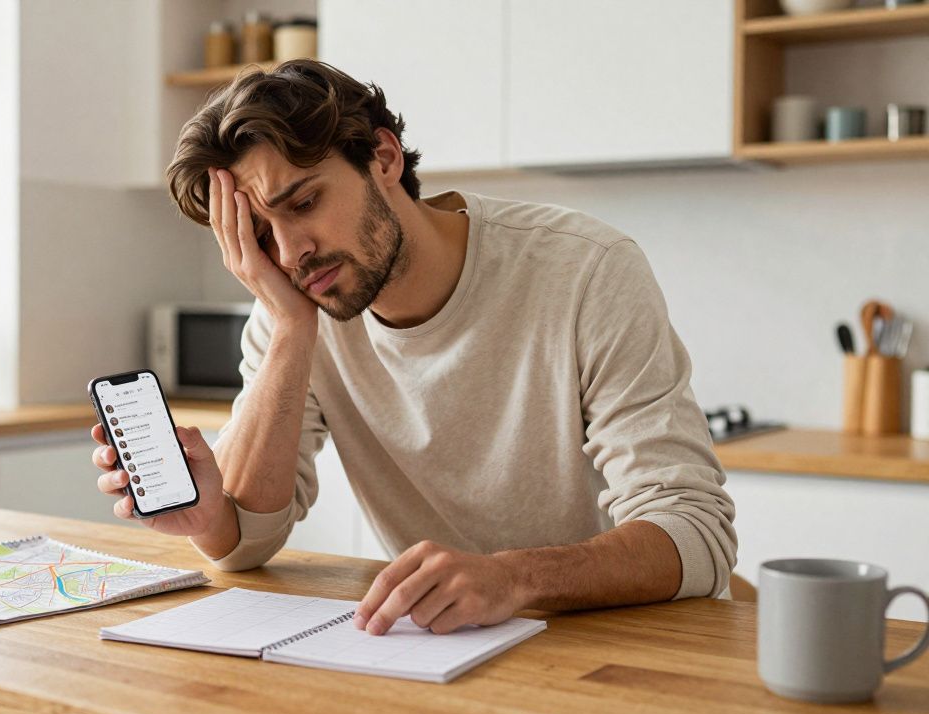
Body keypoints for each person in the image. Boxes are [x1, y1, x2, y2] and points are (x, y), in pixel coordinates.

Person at [90, 60, 736, 636]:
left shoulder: (585, 270)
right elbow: (245, 543)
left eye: (305, 202)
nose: (289, 254)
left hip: (624, 644)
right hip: (447, 649)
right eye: (259, 236)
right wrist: (288, 334)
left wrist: (511, 579)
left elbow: (695, 532)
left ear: (384, 158)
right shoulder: (294, 311)